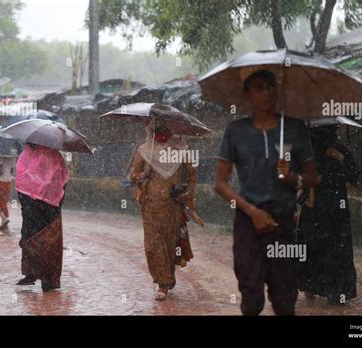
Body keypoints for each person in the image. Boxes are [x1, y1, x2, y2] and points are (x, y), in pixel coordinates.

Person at [214, 70, 319, 315]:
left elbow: (313, 177)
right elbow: (220, 183)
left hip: (282, 220)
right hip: (247, 221)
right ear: (247, 94)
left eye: (271, 86)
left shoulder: (294, 128)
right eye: (259, 87)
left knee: (285, 294)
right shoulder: (236, 131)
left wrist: (291, 177)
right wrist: (253, 212)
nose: (267, 92)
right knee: (250, 292)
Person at [130, 121, 198, 300]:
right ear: (151, 130)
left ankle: (166, 280)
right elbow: (133, 176)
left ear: (172, 131)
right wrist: (143, 175)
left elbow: (193, 174)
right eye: (157, 129)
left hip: (172, 205)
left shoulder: (181, 150)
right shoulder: (144, 151)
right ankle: (162, 282)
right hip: (150, 205)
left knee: (169, 244)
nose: (162, 133)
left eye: (166, 129)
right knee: (152, 246)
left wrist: (188, 192)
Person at [297, 125, 360, 304]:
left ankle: (336, 291)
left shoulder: (339, 151)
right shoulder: (305, 154)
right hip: (314, 213)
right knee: (314, 249)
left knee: (336, 250)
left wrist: (341, 158)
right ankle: (311, 286)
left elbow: (355, 177)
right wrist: (306, 196)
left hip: (336, 213)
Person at [15, 143, 70, 292]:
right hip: (35, 206)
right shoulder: (28, 154)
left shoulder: (52, 156)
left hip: (46, 207)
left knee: (46, 241)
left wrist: (52, 202)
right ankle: (32, 274)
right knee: (30, 239)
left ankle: (48, 279)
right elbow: (21, 180)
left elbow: (60, 180)